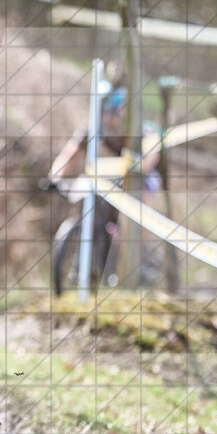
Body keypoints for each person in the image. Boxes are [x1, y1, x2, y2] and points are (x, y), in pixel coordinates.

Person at [45, 86, 162, 286]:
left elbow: (154, 148)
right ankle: (84, 264)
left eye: (112, 113)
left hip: (142, 176)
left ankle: (141, 256)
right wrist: (53, 177)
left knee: (136, 205)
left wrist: (142, 165)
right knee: (91, 205)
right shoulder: (93, 128)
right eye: (104, 113)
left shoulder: (137, 128)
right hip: (112, 176)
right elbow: (69, 154)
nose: (108, 119)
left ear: (122, 111)